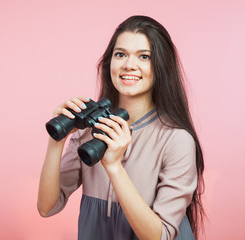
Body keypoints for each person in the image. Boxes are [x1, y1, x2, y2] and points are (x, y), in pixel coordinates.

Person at [38, 15, 205, 240]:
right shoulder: (90, 129)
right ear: (109, 62)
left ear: (161, 66)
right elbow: (47, 206)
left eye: (144, 56)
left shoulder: (175, 139)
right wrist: (55, 142)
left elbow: (161, 236)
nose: (128, 65)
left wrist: (114, 167)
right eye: (121, 54)